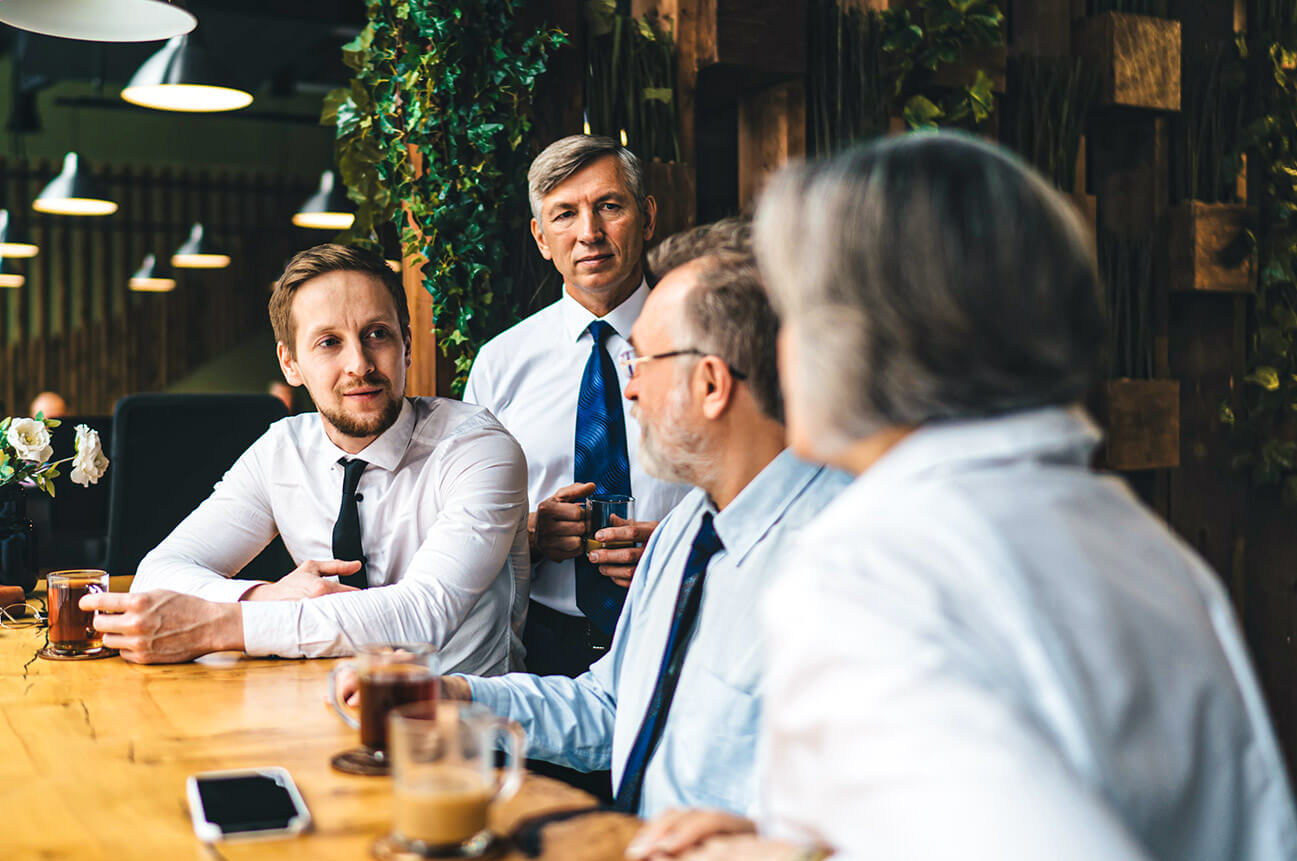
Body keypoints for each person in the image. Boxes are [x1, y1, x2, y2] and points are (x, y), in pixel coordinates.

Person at [627, 134, 1297, 861]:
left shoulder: (873, 564)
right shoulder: (1148, 547)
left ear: (870, 335)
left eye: (798, 312)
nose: (777, 347)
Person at [350, 220, 849, 818]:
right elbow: (614, 706)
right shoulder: (692, 530)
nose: (629, 389)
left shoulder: (846, 558)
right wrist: (454, 696)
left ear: (712, 384)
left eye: (644, 362)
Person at [83, 244, 530, 676]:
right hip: (321, 714)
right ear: (290, 363)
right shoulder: (282, 451)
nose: (359, 364)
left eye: (377, 334)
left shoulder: (478, 449)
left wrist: (220, 624)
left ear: (407, 345)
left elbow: (422, 614)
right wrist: (265, 598)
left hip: (464, 731)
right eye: (329, 342)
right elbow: (158, 573)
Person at [464, 135, 689, 678]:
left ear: (647, 216)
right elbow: (463, 522)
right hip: (544, 649)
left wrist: (680, 547)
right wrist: (531, 536)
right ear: (541, 238)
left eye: (609, 206)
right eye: (564, 214)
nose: (589, 233)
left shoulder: (704, 341)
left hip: (686, 630)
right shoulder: (500, 364)